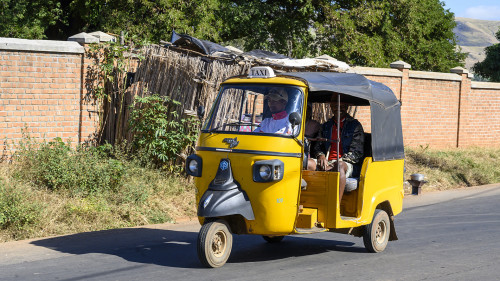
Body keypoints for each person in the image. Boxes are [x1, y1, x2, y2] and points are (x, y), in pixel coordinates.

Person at [311, 98, 364, 202]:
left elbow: (357, 153)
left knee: (338, 166)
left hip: (346, 164)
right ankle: (309, 201)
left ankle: (335, 207)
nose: (338, 109)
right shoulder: (326, 125)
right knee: (306, 163)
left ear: (347, 107)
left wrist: (337, 162)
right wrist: (321, 156)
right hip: (327, 161)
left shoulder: (355, 126)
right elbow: (317, 146)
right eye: (335, 106)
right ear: (331, 107)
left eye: (342, 106)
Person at [304, 103, 321, 170]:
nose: (306, 112)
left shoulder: (314, 125)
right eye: (304, 109)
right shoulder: (292, 123)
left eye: (308, 110)